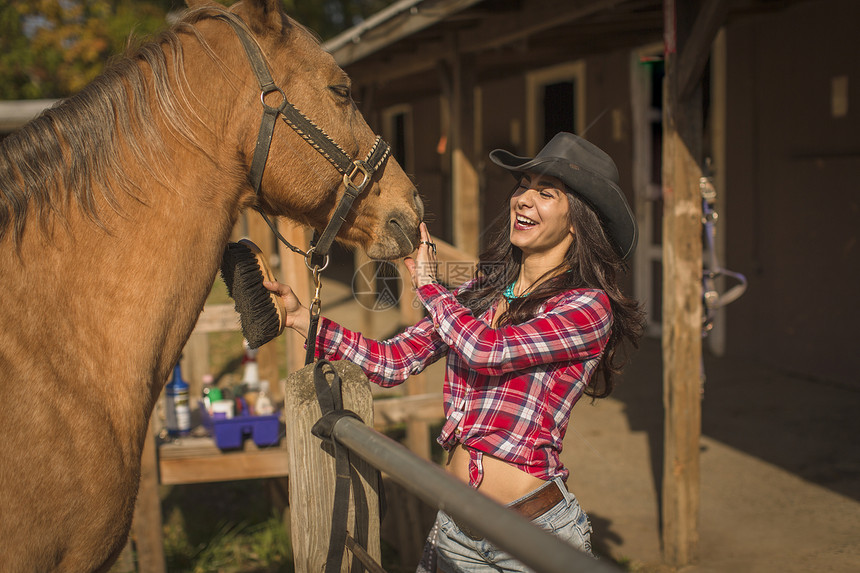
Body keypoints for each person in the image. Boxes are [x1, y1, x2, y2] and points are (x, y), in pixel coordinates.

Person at [265, 132, 644, 572]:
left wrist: (429, 287)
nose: (523, 200)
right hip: (455, 526)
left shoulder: (585, 306)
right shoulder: (479, 295)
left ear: (577, 220)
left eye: (546, 193)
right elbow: (394, 361)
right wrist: (303, 320)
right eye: (523, 186)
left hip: (528, 536)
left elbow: (489, 350)